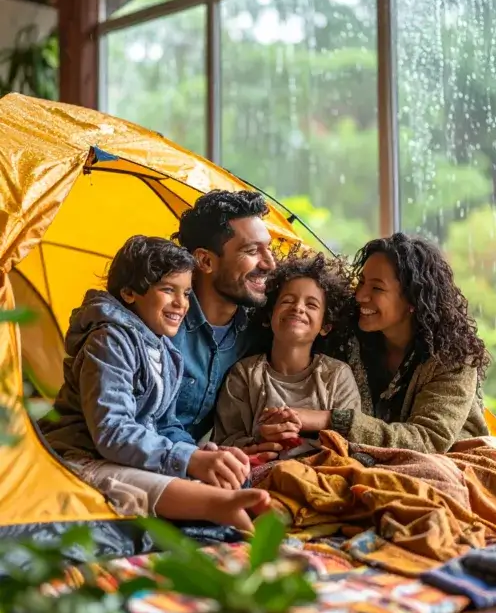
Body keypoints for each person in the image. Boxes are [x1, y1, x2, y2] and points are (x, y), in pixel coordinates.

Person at [40, 236, 268, 530]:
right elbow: (112, 432)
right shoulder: (109, 340)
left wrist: (200, 454)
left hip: (128, 458)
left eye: (186, 293)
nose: (180, 304)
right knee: (193, 498)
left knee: (219, 479)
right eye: (167, 290)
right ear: (129, 292)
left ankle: (233, 515)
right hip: (80, 457)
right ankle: (230, 522)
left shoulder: (164, 348)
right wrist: (187, 459)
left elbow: (166, 424)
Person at [258, 233, 490, 456]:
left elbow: (428, 440)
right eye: (361, 282)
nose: (360, 296)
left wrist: (329, 419)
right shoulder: (346, 337)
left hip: (452, 462)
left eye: (377, 288)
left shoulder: (453, 358)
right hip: (364, 461)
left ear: (413, 299)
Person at [161, 190, 278, 474]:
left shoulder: (259, 333)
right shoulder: (159, 323)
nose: (269, 263)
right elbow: (134, 422)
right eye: (252, 251)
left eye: (268, 248)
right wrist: (196, 456)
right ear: (205, 261)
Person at [212, 253, 361, 456]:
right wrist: (261, 438)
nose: (298, 308)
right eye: (287, 301)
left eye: (311, 305)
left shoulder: (337, 375)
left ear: (325, 326)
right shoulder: (244, 374)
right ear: (268, 315)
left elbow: (353, 440)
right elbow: (224, 442)